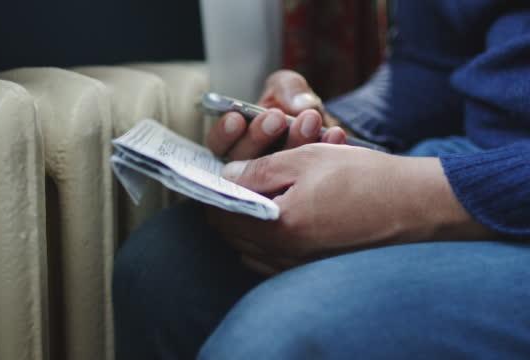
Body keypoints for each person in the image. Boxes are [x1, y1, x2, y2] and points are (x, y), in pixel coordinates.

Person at [113, 1, 530, 359]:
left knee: (281, 336)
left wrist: (424, 197)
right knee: (166, 265)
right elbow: (433, 64)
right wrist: (324, 126)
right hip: (477, 153)